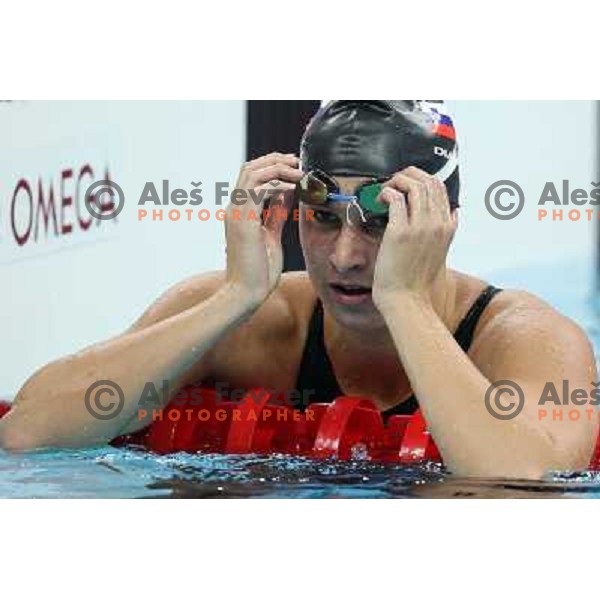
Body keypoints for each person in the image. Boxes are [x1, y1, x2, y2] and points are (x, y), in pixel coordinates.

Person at [1, 100, 597, 480]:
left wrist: (406, 302)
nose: (344, 255)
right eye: (323, 217)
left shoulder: (522, 338)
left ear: (444, 221)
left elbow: (524, 482)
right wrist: (234, 297)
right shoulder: (253, 320)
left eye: (381, 218)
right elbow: (26, 431)